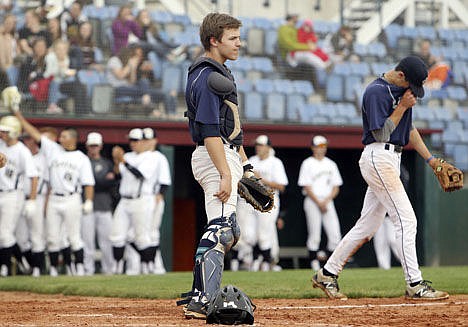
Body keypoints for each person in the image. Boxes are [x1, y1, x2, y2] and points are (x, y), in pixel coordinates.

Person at [312, 56, 449, 300]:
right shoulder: (376, 91)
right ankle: (415, 285)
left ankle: (327, 274)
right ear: (401, 75)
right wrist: (402, 107)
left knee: (367, 227)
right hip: (378, 156)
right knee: (407, 221)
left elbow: (409, 129)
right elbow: (381, 133)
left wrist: (430, 160)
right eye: (411, 85)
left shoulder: (400, 90)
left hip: (390, 159)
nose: (412, 93)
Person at [182, 12, 249, 319]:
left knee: (229, 230)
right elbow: (210, 130)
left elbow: (230, 127)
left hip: (226, 152)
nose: (239, 43)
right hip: (214, 155)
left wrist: (244, 166)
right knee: (221, 229)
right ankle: (202, 298)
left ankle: (198, 290)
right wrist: (225, 172)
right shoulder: (208, 77)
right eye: (232, 38)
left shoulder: (216, 72)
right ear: (214, 40)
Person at [12, 110, 95, 277]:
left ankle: (79, 269)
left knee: (73, 237)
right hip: (54, 199)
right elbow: (34, 134)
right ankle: (54, 270)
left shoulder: (81, 158)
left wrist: (89, 201)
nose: (61, 139)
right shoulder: (53, 150)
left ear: (73, 139)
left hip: (72, 197)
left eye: (64, 136)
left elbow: (88, 182)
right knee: (52, 237)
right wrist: (18, 115)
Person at [235, 135, 288, 272]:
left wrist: (260, 178)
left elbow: (281, 186)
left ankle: (266, 262)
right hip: (251, 200)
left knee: (264, 234)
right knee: (248, 235)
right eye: (257, 145)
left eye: (261, 145)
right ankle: (252, 260)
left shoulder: (275, 162)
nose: (258, 147)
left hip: (268, 200)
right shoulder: (251, 160)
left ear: (268, 147)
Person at [110, 128, 159, 275]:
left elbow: (140, 175)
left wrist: (123, 160)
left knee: (142, 236)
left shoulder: (151, 157)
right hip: (124, 200)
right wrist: (116, 160)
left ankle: (148, 267)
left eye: (136, 140)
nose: (132, 143)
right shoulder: (128, 156)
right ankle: (117, 268)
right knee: (116, 235)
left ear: (144, 141)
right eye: (131, 140)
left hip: (142, 200)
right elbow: (118, 175)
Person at [298, 135, 343, 272]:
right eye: (318, 146)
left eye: (323, 146)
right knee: (314, 234)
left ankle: (329, 265)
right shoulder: (307, 163)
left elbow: (336, 187)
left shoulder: (331, 164)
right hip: (313, 200)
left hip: (327, 200)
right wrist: (319, 202)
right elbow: (306, 186)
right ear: (313, 147)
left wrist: (326, 201)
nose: (321, 149)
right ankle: (314, 265)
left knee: (335, 235)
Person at [0, 115, 38, 277]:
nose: (2, 134)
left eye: (5, 131)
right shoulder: (0, 145)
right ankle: (22, 261)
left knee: (4, 234)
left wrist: (32, 199)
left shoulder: (22, 151)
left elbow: (33, 175)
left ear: (14, 132)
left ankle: (5, 268)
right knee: (4, 234)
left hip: (13, 195)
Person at [81, 132, 116, 275]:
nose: (93, 148)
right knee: (86, 241)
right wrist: (103, 181)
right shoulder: (83, 161)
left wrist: (100, 182)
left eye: (96, 145)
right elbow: (89, 183)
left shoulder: (107, 163)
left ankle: (109, 270)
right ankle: (87, 270)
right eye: (91, 146)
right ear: (87, 146)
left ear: (100, 146)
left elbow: (111, 183)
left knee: (106, 241)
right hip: (86, 206)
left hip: (104, 205)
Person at [15, 132, 48, 277]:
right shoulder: (20, 154)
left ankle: (38, 268)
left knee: (37, 235)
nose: (25, 142)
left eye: (28, 139)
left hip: (38, 198)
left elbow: (49, 183)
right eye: (24, 139)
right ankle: (29, 265)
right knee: (21, 237)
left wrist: (39, 201)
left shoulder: (44, 158)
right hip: (21, 196)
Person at [142, 127, 171, 274]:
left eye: (148, 139)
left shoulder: (159, 157)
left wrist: (159, 196)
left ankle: (156, 267)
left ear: (154, 140)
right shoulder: (137, 156)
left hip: (153, 197)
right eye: (144, 139)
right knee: (140, 234)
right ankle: (143, 266)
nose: (146, 142)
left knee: (152, 234)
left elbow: (165, 181)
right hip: (139, 199)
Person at [373, 164, 409, 270]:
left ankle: (407, 263)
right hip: (379, 210)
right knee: (380, 242)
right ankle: (384, 268)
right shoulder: (376, 166)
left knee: (393, 239)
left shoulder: (399, 168)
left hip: (391, 210)